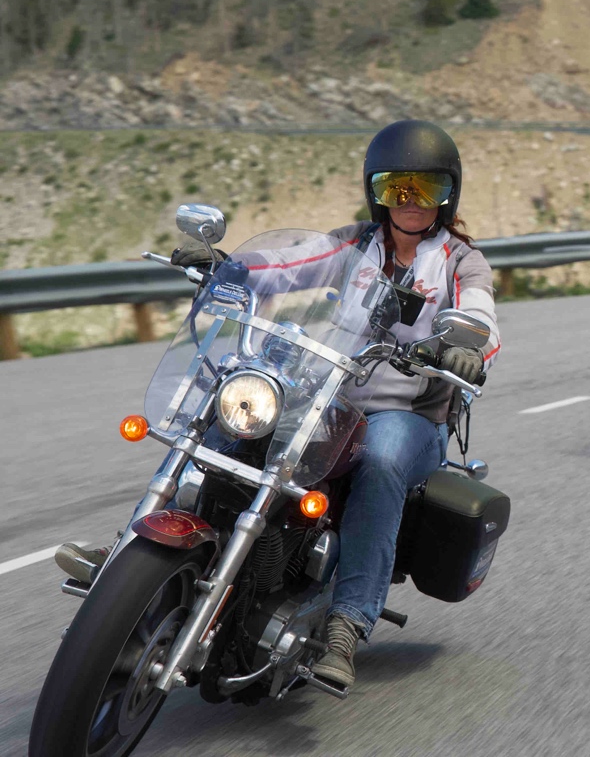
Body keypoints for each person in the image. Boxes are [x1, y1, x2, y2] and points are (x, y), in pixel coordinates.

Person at [54, 120, 501, 689]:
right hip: (328, 395)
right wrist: (226, 267)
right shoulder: (354, 243)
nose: (410, 202)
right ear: (378, 192)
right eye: (397, 188)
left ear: (448, 194)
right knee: (233, 418)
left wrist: (466, 347)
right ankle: (127, 562)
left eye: (427, 189)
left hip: (408, 414)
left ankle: (347, 622)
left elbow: (481, 316)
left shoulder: (462, 261)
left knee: (383, 462)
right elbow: (290, 266)